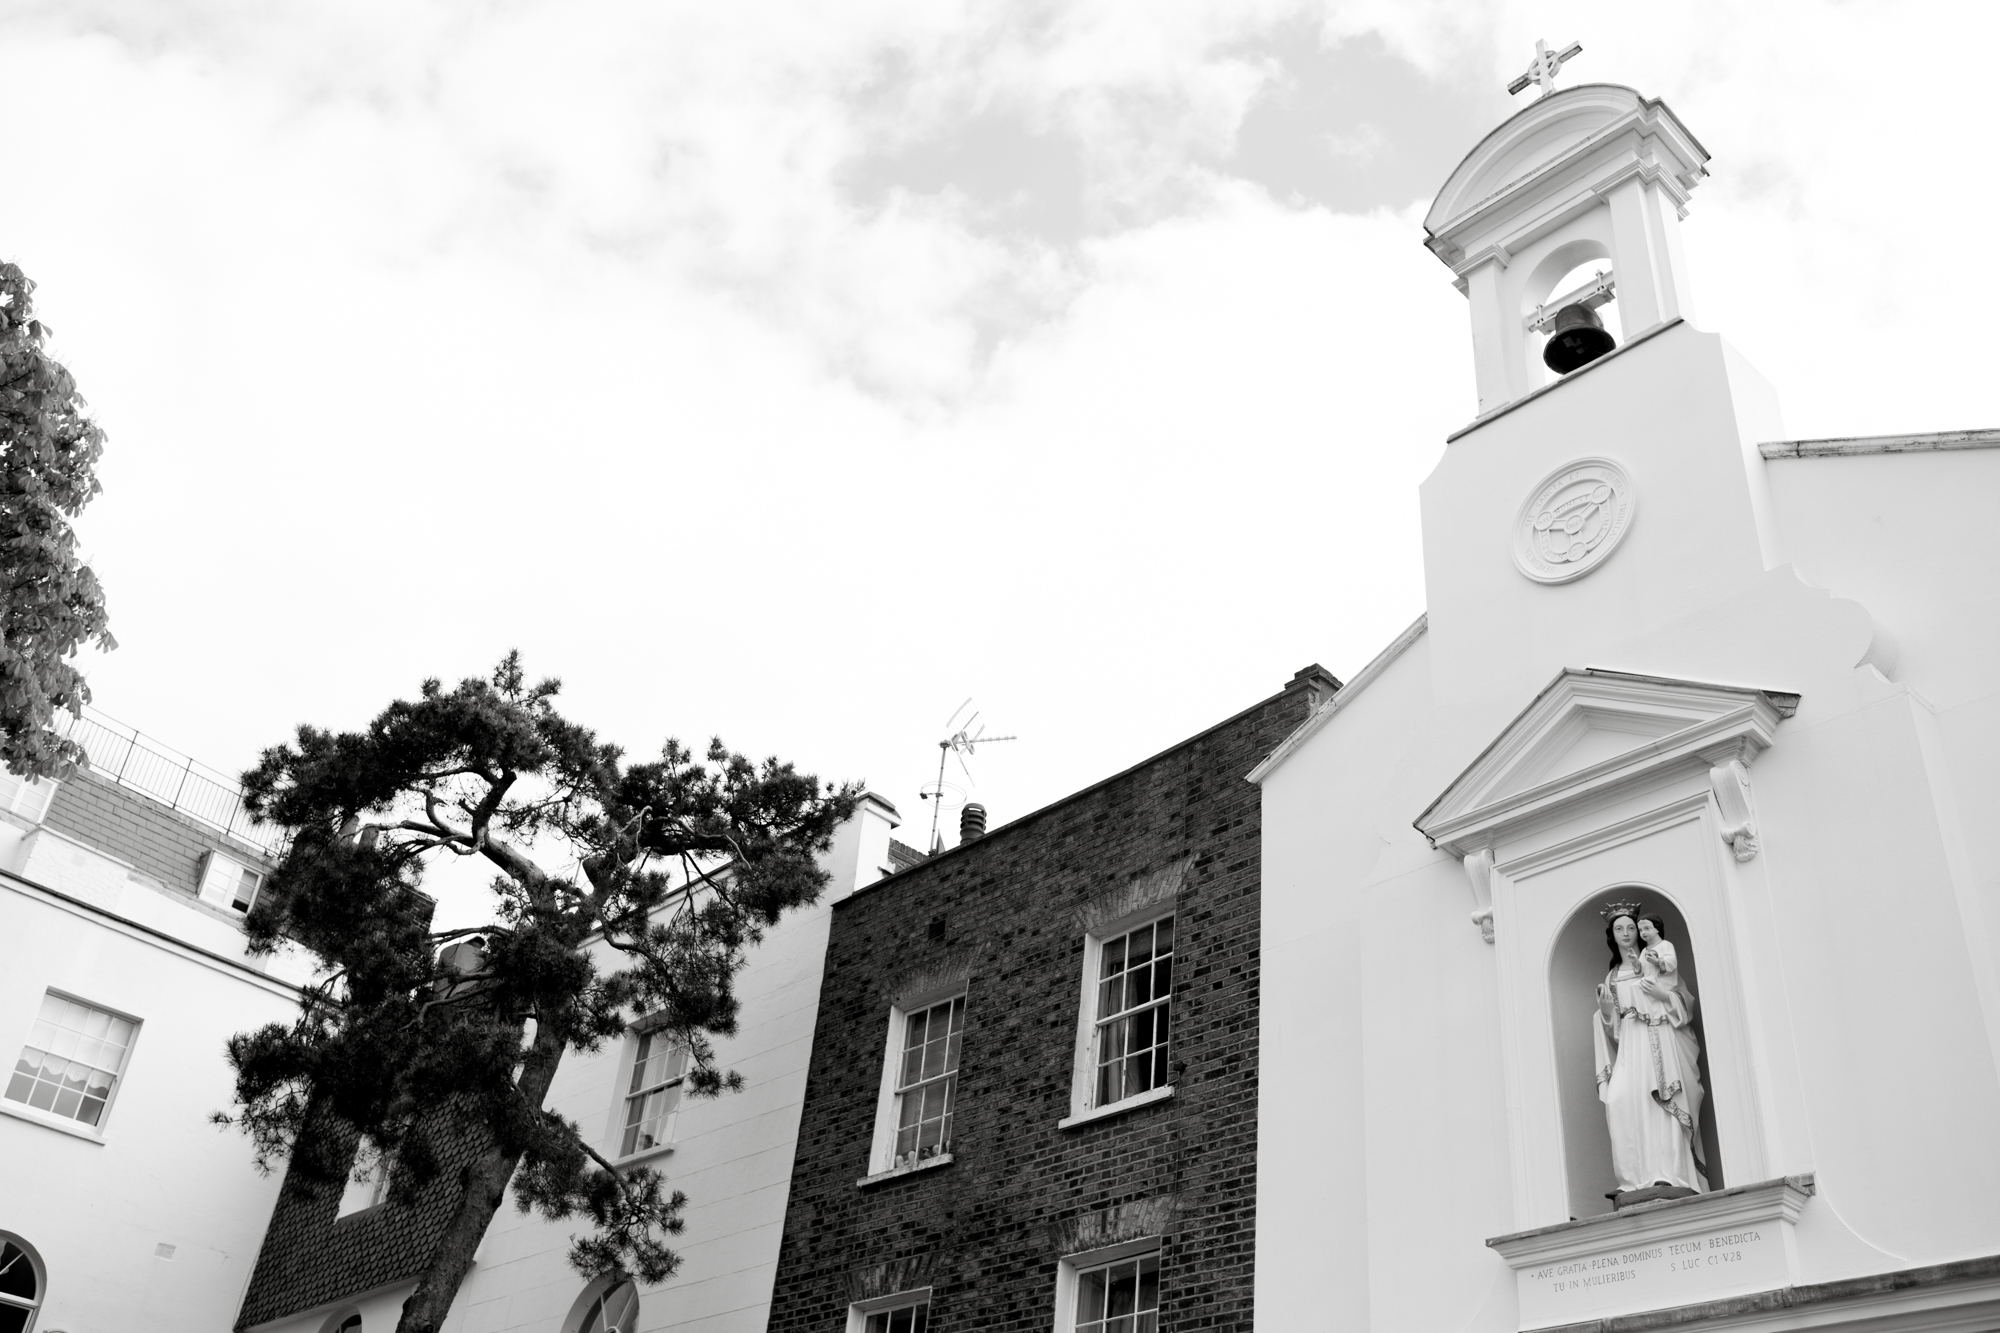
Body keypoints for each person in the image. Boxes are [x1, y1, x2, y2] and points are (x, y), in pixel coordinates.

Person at [1593, 904, 1707, 1196]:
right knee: (1620, 1101)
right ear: (1612, 936)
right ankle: (1632, 1180)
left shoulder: (1655, 963)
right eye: (1619, 929)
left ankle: (1669, 1175)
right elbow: (1614, 1032)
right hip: (1631, 1046)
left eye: (1631, 927)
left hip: (1659, 1038)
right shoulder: (1612, 977)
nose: (1626, 933)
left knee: (1661, 1102)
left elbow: (1686, 1005)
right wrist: (1605, 1013)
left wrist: (1662, 995)